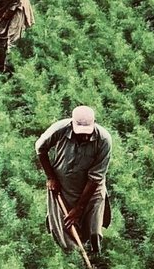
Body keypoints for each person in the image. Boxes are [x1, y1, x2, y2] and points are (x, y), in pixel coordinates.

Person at [36, 104, 112, 256]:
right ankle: (71, 255)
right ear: (72, 124)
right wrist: (51, 177)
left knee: (93, 225)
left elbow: (95, 177)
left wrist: (79, 208)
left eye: (87, 133)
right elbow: (40, 148)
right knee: (64, 223)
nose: (84, 137)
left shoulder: (104, 140)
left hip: (92, 188)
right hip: (64, 185)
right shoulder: (59, 129)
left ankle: (95, 254)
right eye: (80, 133)